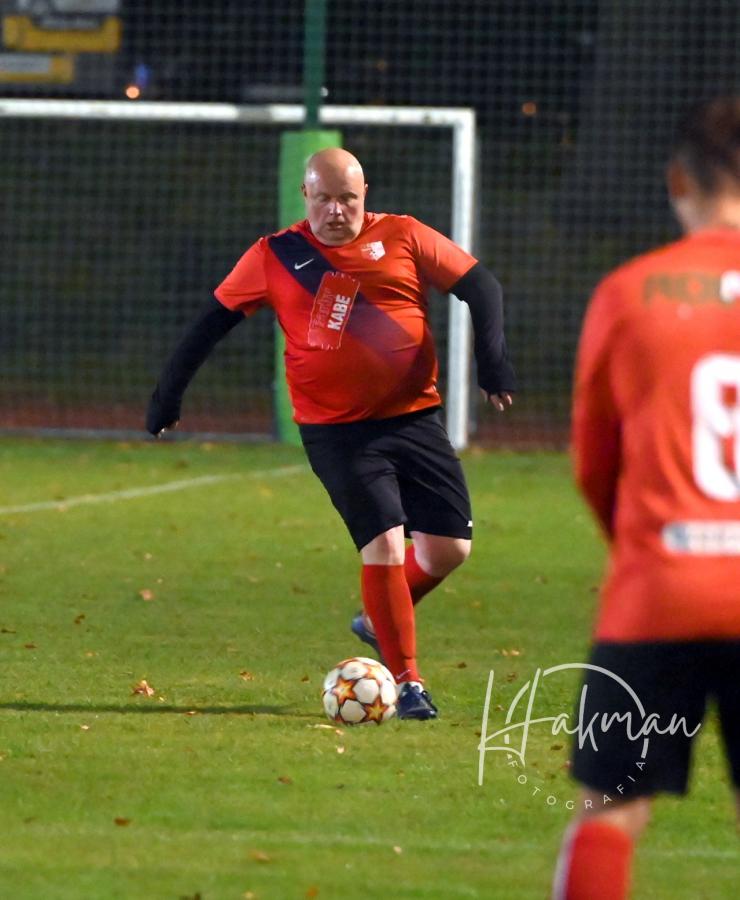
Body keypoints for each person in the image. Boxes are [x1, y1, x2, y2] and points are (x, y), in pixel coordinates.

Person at [146, 147, 516, 720]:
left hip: (414, 417)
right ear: (306, 196)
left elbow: (481, 286)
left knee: (449, 549)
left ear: (365, 194)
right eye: (324, 199)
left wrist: (492, 365)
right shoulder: (275, 255)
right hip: (337, 431)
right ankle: (408, 683)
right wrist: (167, 396)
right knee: (386, 544)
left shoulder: (404, 235)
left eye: (347, 198)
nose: (336, 210)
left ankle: (376, 621)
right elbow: (209, 324)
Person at [552, 97, 740, 898]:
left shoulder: (628, 294)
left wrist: (648, 548)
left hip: (657, 590)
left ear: (679, 182)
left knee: (611, 808)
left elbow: (595, 466)